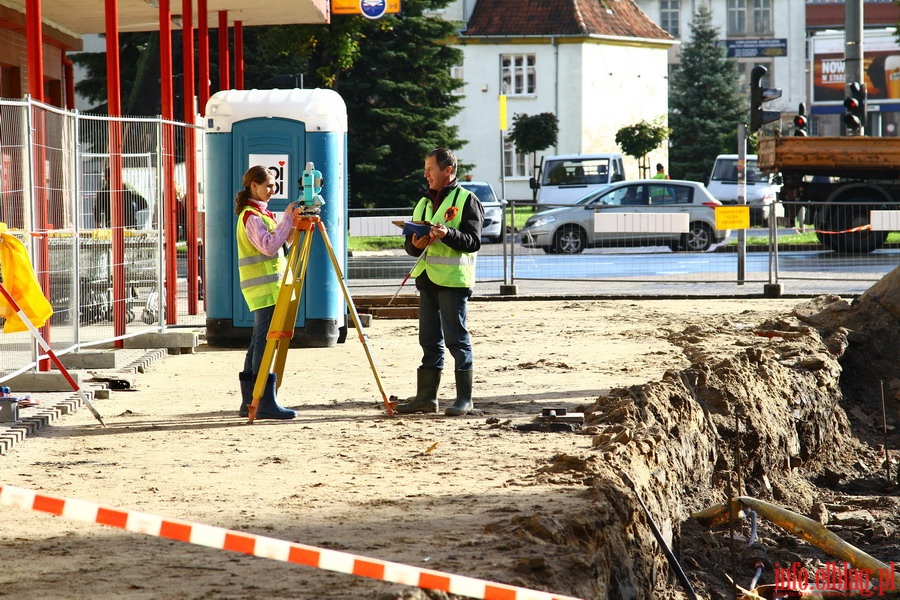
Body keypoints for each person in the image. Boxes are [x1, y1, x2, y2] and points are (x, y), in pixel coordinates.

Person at [395, 148, 484, 416]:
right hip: (427, 279)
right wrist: (415, 242)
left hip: (453, 282)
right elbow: (410, 247)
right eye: (426, 169)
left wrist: (447, 234)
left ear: (448, 171)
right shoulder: (422, 202)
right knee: (429, 339)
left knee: (456, 339)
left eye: (430, 169)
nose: (426, 174)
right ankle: (426, 399)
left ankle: (464, 399)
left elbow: (473, 242)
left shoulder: (468, 200)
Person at [234, 165, 298, 419]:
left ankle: (250, 401)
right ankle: (261, 400)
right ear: (254, 186)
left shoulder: (264, 214)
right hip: (264, 289)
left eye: (275, 185)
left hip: (270, 288)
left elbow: (283, 244)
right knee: (264, 343)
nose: (273, 190)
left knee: (258, 342)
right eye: (269, 185)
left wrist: (291, 226)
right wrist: (288, 218)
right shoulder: (252, 216)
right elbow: (269, 247)